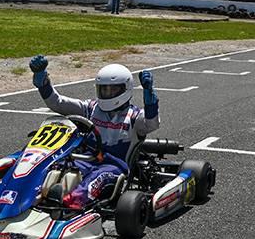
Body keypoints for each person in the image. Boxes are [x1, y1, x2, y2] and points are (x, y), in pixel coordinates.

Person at [29, 55, 159, 208]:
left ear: (126, 89)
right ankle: (31, 197)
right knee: (55, 167)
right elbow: (58, 103)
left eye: (113, 89)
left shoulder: (134, 116)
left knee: (97, 178)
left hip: (113, 166)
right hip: (85, 159)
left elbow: (151, 124)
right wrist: (42, 82)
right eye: (104, 89)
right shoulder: (90, 108)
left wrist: (150, 98)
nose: (108, 93)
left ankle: (71, 204)